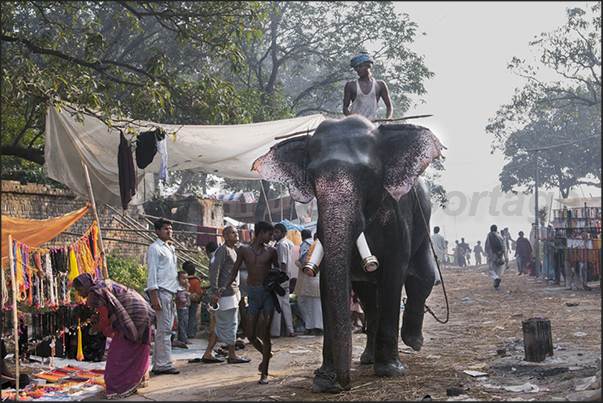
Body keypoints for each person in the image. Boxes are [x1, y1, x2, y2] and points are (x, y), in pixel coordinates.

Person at [72, 273, 155, 399]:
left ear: (86, 285)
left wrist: (96, 328)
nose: (79, 294)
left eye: (80, 290)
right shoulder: (102, 285)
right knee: (136, 349)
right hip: (142, 311)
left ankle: (118, 388)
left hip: (135, 315)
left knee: (118, 354)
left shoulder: (94, 294)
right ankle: (134, 383)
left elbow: (106, 319)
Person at [218, 221, 280, 385]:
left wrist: (277, 283)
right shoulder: (244, 250)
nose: (272, 237)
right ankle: (267, 354)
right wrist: (224, 286)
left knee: (265, 332)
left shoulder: (272, 251)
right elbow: (234, 270)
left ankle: (264, 373)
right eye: (270, 234)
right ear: (261, 233)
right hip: (253, 294)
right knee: (250, 334)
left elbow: (278, 271)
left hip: (267, 294)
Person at [201, 226, 250, 365]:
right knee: (230, 324)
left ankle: (208, 352)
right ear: (225, 236)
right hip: (225, 294)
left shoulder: (233, 250)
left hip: (233, 292)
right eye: (232, 233)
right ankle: (232, 354)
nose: (235, 234)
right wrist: (215, 291)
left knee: (224, 323)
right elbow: (214, 271)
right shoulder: (222, 250)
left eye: (236, 232)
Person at [145, 217, 180, 375]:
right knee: (164, 330)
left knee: (165, 329)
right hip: (161, 291)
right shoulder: (154, 248)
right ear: (158, 231)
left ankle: (159, 362)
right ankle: (163, 364)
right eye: (166, 229)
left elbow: (171, 273)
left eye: (170, 229)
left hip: (170, 291)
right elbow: (152, 273)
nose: (169, 231)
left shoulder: (170, 248)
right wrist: (154, 295)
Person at [343, 52, 393, 122]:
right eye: (356, 68)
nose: (358, 69)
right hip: (354, 126)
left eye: (360, 66)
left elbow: (389, 107)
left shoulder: (380, 85)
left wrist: (387, 121)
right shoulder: (351, 85)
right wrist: (354, 119)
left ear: (368, 66)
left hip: (372, 125)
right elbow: (345, 108)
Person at [270, 223, 296, 338]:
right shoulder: (285, 243)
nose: (275, 234)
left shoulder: (281, 244)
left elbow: (283, 263)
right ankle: (289, 330)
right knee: (284, 304)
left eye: (277, 232)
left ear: (283, 233)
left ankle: (275, 331)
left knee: (277, 304)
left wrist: (278, 278)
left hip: (281, 278)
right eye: (274, 232)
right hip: (284, 278)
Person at [295, 229, 323, 335]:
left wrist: (297, 263)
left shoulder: (309, 245)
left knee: (312, 304)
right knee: (309, 303)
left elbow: (304, 261)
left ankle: (314, 327)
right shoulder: (314, 245)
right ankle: (311, 326)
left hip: (311, 277)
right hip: (312, 278)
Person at [182, 261, 203, 339]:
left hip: (184, 301)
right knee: (192, 317)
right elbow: (198, 292)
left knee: (184, 317)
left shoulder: (183, 280)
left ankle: (184, 333)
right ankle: (191, 333)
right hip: (194, 302)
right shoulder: (196, 281)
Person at [485, 224, 506, 290]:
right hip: (499, 255)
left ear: (490, 229)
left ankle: (496, 279)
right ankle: (497, 285)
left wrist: (488, 254)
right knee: (498, 270)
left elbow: (487, 247)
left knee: (491, 270)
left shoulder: (489, 237)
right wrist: (501, 254)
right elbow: (503, 247)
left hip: (492, 255)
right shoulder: (500, 237)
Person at [175, 271, 192, 345]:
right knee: (182, 324)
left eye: (187, 278)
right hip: (181, 308)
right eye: (183, 278)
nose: (186, 280)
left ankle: (182, 338)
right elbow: (182, 299)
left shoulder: (183, 288)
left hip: (185, 308)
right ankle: (183, 339)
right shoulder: (178, 288)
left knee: (185, 323)